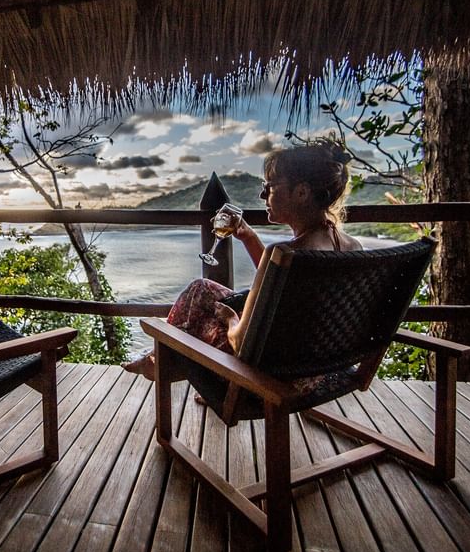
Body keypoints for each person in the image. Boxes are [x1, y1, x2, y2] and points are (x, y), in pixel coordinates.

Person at [123, 141, 362, 381]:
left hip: (275, 373)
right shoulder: (352, 247)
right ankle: (157, 357)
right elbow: (278, 282)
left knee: (201, 312)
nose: (262, 195)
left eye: (270, 187)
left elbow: (239, 342)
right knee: (202, 288)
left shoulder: (285, 251)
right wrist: (248, 236)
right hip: (320, 364)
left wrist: (230, 318)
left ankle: (160, 362)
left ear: (301, 192)